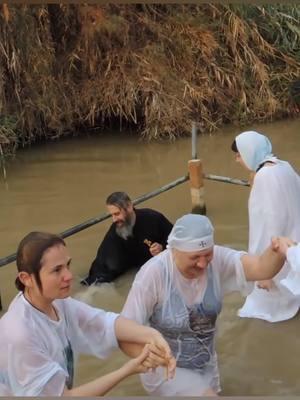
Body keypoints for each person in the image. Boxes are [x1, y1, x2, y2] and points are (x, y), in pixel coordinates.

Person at [121, 214, 286, 396]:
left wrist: (278, 250)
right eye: (195, 257)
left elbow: (261, 268)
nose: (202, 263)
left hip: (205, 365)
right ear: (175, 250)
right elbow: (124, 331)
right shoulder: (153, 275)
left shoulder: (216, 261)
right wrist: (152, 358)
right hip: (166, 368)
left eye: (208, 254)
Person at [0, 232, 176, 396]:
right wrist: (128, 369)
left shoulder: (57, 302)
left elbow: (106, 324)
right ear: (26, 278)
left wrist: (153, 335)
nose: (68, 275)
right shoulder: (21, 334)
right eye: (57, 270)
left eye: (67, 265)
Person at [231, 130, 300, 322]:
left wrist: (265, 271)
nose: (237, 160)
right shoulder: (283, 166)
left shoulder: (264, 177)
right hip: (294, 245)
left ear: (249, 152)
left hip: (278, 252)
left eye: (239, 154)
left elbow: (268, 223)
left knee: (268, 311)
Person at [81, 191, 173, 285]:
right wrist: (91, 287)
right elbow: (103, 262)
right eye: (111, 215)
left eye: (117, 214)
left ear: (129, 207)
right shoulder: (115, 231)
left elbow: (176, 239)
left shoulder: (153, 218)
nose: (114, 219)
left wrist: (162, 247)